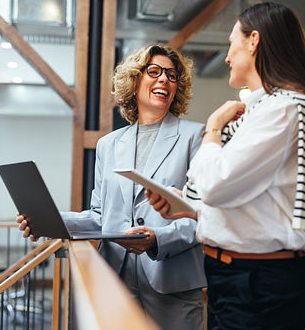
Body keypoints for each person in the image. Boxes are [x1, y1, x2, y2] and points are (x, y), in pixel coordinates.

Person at [146, 2, 305, 330]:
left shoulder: (285, 108)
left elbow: (216, 184)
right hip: (235, 277)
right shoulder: (263, 110)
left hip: (258, 282)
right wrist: (187, 206)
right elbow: (246, 201)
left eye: (232, 43)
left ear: (253, 41)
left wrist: (213, 126)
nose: (228, 56)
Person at [17, 44, 206, 330]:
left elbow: (203, 216)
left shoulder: (196, 136)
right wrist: (49, 221)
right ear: (134, 81)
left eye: (171, 75)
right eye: (153, 71)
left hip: (172, 284)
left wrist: (158, 238)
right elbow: (99, 215)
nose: (164, 79)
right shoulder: (108, 144)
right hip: (116, 278)